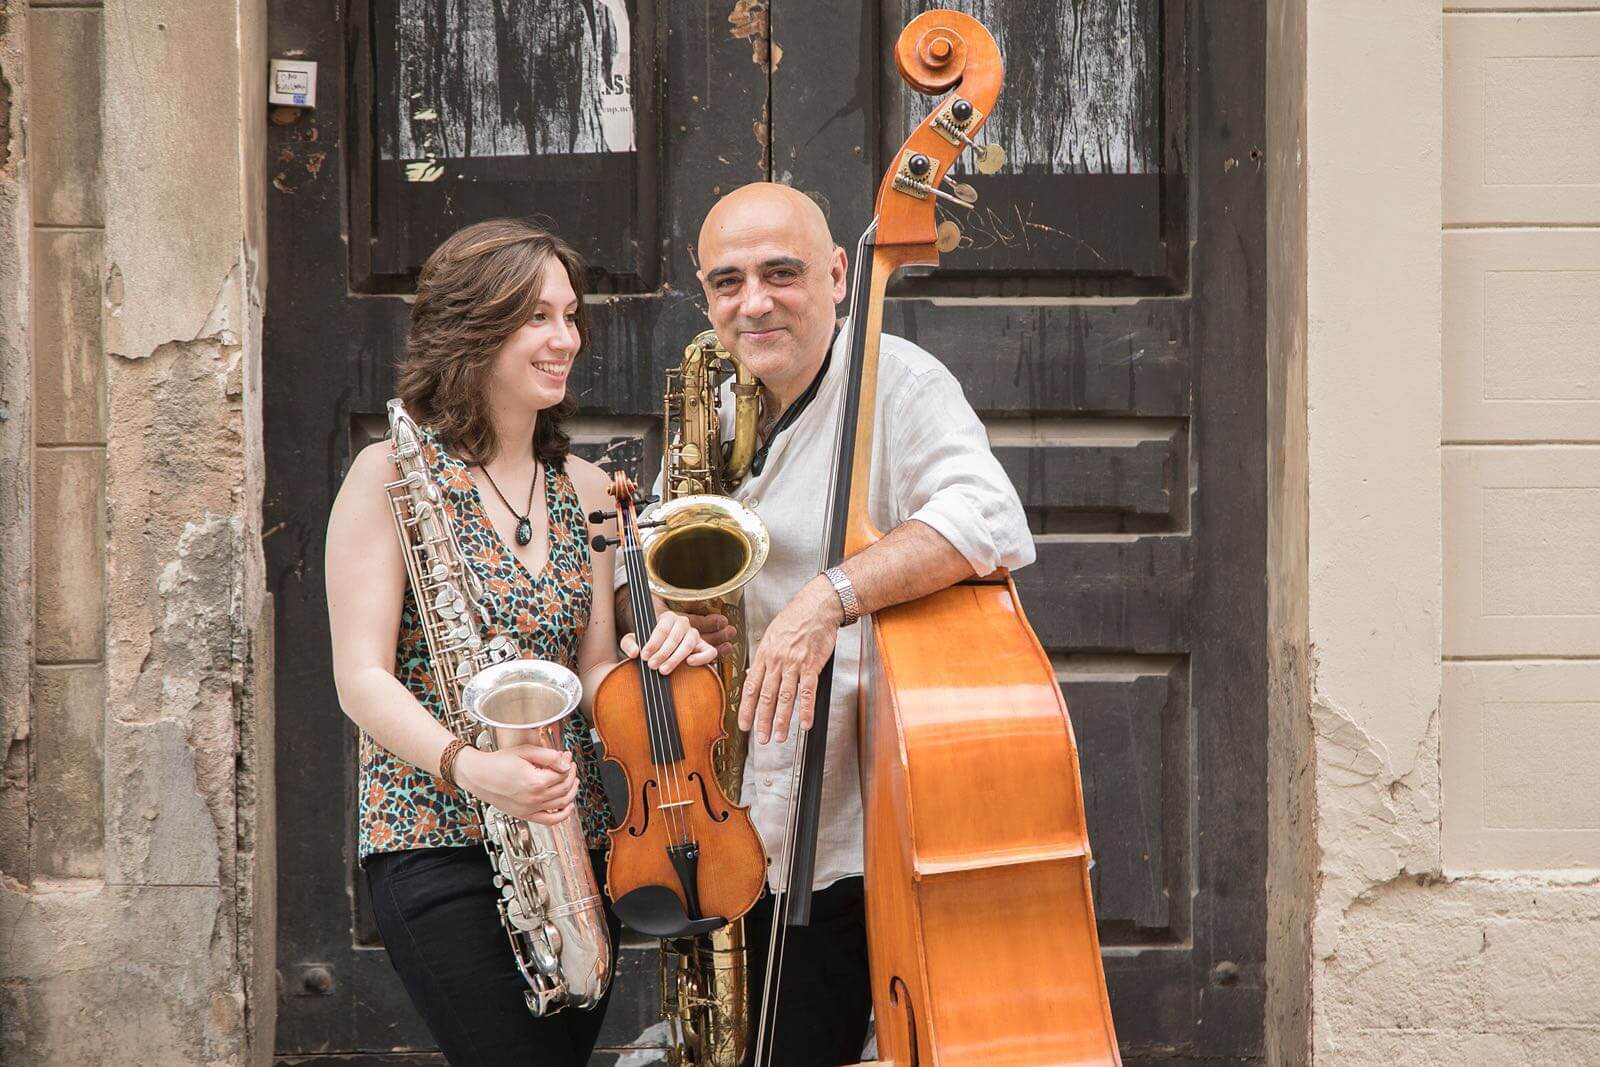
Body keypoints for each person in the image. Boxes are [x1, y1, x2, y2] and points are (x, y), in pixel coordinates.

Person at [619, 183, 1035, 1065]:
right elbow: (661, 552)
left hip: (857, 820)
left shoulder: (903, 383)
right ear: (704, 297)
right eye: (727, 282)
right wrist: (681, 618)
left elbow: (986, 518)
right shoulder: (714, 406)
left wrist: (827, 596)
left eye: (781, 273)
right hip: (731, 809)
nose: (754, 302)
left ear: (840, 274)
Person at [325, 218, 717, 1066]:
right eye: (537, 317)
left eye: (570, 316)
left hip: (577, 841)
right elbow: (361, 678)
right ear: (473, 327)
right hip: (437, 833)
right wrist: (474, 768)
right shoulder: (388, 475)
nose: (565, 338)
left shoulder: (585, 488)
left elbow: (596, 664)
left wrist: (667, 647)